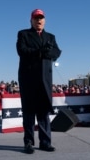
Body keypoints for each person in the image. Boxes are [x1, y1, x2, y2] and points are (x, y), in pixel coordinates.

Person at [16, 9, 62, 154]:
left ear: (45, 21)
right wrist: (40, 51)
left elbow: (57, 52)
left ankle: (45, 142)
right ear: (31, 20)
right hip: (28, 79)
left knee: (43, 112)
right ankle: (28, 142)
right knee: (29, 112)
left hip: (45, 80)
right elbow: (22, 51)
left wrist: (45, 52)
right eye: (36, 18)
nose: (39, 21)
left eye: (41, 18)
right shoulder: (23, 34)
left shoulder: (51, 37)